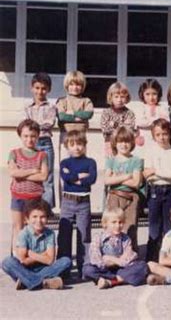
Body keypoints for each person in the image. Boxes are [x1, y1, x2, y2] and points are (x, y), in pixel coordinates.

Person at [2, 199, 71, 290]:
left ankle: (26, 282)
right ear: (27, 219)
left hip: (44, 269)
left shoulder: (50, 234)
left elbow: (50, 260)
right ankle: (43, 282)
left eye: (42, 217)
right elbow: (23, 261)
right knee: (7, 262)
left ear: (47, 218)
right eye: (34, 217)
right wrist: (43, 255)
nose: (38, 220)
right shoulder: (24, 234)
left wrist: (30, 253)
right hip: (24, 269)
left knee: (66, 261)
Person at [57, 130, 97, 278]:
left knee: (84, 234)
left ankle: (84, 267)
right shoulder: (65, 163)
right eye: (72, 144)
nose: (76, 147)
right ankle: (64, 267)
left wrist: (75, 178)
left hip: (83, 202)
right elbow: (66, 177)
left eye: (79, 144)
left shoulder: (90, 162)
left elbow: (92, 178)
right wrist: (80, 176)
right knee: (64, 234)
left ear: (84, 145)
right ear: (67, 146)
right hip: (68, 200)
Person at [143, 119, 171, 262]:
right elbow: (147, 176)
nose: (162, 137)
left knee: (168, 227)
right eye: (158, 134)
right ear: (153, 136)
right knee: (154, 227)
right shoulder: (150, 151)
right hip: (154, 191)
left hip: (169, 191)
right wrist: (154, 173)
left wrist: (155, 171)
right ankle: (151, 260)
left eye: (164, 134)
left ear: (170, 134)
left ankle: (168, 259)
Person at [83, 208, 148, 289]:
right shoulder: (98, 238)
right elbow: (96, 259)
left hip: (120, 269)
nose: (117, 226)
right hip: (104, 270)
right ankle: (123, 278)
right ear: (105, 223)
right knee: (87, 269)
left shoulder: (125, 239)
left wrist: (111, 259)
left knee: (142, 265)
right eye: (114, 222)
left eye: (120, 222)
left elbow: (128, 258)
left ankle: (110, 281)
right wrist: (116, 261)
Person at [8, 119, 48, 252]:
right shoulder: (14, 153)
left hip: (35, 198)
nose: (29, 139)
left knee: (33, 228)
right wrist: (32, 171)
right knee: (18, 227)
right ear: (20, 136)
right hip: (18, 197)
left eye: (33, 136)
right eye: (26, 136)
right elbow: (13, 172)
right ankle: (18, 256)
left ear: (37, 137)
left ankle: (33, 256)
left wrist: (22, 174)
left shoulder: (42, 155)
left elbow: (43, 176)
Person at [104, 127, 143, 251]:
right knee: (113, 225)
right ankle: (112, 252)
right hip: (114, 196)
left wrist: (117, 178)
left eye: (127, 141)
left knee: (130, 226)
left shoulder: (136, 160)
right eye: (120, 141)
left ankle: (130, 253)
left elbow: (136, 182)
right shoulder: (111, 160)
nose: (124, 145)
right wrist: (126, 176)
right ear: (115, 143)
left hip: (131, 197)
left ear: (132, 143)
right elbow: (106, 180)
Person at [24, 72, 57, 213]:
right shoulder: (27, 108)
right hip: (31, 144)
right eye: (37, 88)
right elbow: (25, 125)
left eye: (43, 88)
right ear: (32, 88)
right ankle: (31, 209)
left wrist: (34, 125)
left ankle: (46, 208)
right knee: (32, 175)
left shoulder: (51, 107)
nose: (40, 91)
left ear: (48, 89)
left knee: (47, 176)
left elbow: (49, 123)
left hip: (45, 143)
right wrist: (34, 126)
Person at [56, 70, 94, 158]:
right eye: (71, 84)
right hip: (66, 133)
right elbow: (62, 116)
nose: (75, 87)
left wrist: (72, 113)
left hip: (81, 134)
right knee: (65, 159)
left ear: (82, 86)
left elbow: (88, 114)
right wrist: (78, 118)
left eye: (78, 85)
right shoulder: (62, 101)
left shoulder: (86, 100)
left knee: (81, 159)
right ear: (67, 86)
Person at [100, 82, 136, 157]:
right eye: (116, 97)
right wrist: (121, 126)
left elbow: (129, 129)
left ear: (126, 98)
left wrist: (114, 124)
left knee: (123, 161)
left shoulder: (129, 113)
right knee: (111, 163)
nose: (119, 100)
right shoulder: (106, 112)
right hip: (109, 142)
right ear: (111, 98)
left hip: (124, 143)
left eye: (122, 97)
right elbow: (105, 128)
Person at [135, 78, 170, 156]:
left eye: (154, 94)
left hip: (159, 140)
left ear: (159, 94)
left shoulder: (162, 108)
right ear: (142, 94)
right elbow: (140, 121)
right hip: (144, 139)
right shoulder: (141, 107)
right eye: (147, 94)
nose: (151, 97)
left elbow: (166, 121)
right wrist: (157, 120)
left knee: (158, 158)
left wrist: (149, 121)